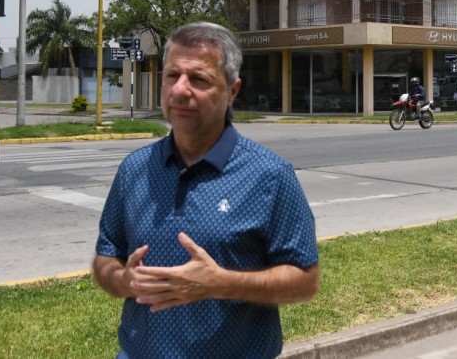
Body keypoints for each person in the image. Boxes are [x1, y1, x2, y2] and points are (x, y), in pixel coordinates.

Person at [93, 22, 319, 359]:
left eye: (198, 79)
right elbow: (105, 256)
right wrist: (123, 280)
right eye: (172, 75)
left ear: (232, 90)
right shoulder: (135, 168)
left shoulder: (269, 176)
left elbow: (304, 280)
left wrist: (219, 283)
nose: (180, 90)